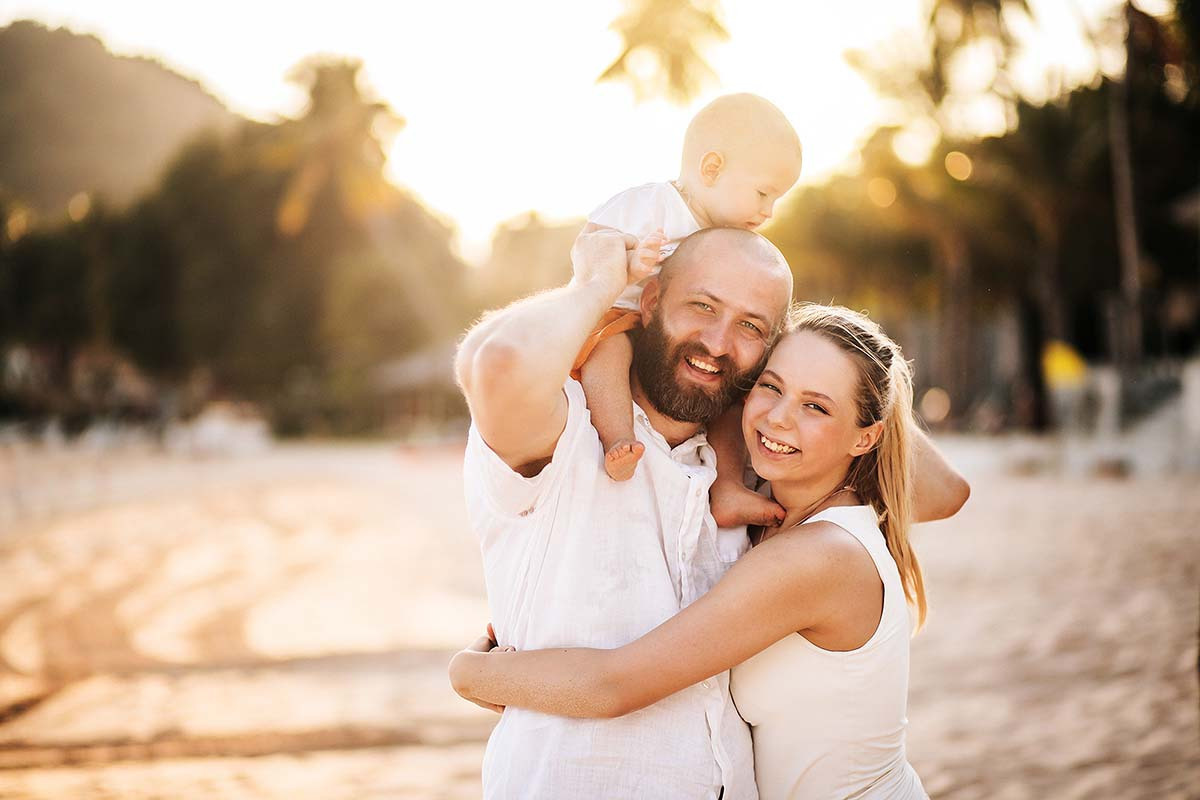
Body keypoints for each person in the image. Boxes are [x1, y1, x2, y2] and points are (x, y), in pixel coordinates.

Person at [453, 226, 967, 798]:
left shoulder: (767, 485)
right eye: (702, 305)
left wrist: (804, 355)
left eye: (749, 326)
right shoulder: (566, 433)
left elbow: (939, 492)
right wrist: (598, 285)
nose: (719, 343)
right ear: (648, 303)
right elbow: (497, 363)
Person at [573, 93, 802, 531]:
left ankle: (728, 485)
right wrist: (625, 260)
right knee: (608, 353)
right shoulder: (650, 205)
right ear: (712, 168)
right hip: (617, 316)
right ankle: (618, 436)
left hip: (662, 337)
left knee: (733, 395)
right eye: (763, 192)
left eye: (776, 199)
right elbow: (589, 241)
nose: (768, 211)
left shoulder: (723, 235)